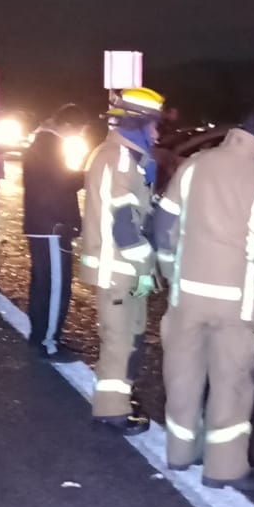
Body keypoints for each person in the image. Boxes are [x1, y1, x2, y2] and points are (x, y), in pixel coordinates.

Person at [154, 106, 254, 490]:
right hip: (237, 303)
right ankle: (225, 467)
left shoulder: (195, 165)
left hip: (189, 297)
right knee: (231, 384)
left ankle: (180, 454)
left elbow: (165, 223)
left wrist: (171, 273)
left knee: (182, 375)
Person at [78, 88, 164, 435]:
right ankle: (112, 411)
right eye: (155, 124)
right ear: (140, 123)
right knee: (119, 341)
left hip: (122, 268)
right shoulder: (118, 159)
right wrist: (146, 266)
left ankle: (118, 403)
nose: (159, 132)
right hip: (119, 269)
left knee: (129, 337)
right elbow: (124, 225)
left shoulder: (125, 156)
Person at [23, 103, 88, 362]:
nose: (80, 135)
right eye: (80, 130)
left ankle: (39, 335)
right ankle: (49, 343)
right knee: (55, 288)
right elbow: (64, 182)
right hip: (51, 227)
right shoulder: (50, 145)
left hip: (41, 226)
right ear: (69, 125)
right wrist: (87, 174)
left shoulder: (42, 142)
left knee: (42, 285)